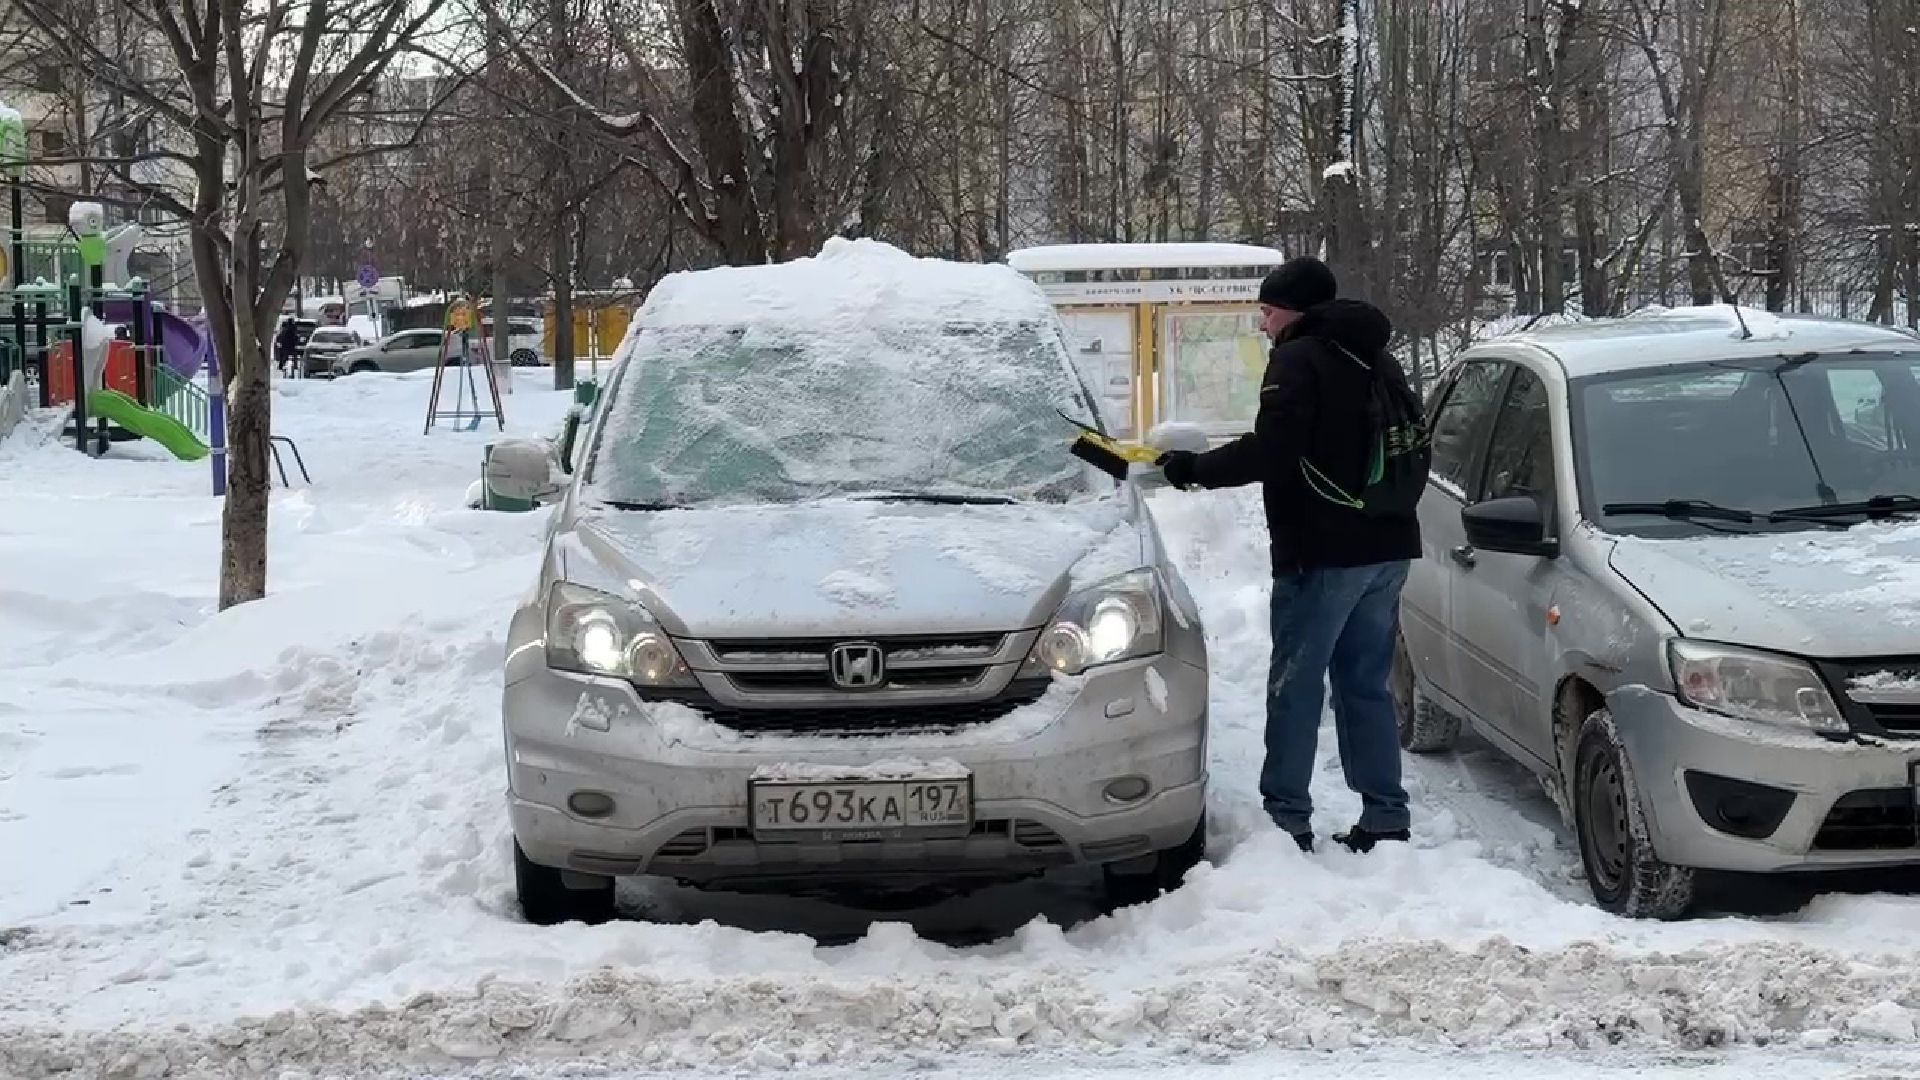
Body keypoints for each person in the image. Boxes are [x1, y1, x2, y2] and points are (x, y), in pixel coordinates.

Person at [1156, 256, 1428, 855]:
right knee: (1365, 685)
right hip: (1386, 548)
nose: (1262, 323)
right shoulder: (1377, 356)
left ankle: (1286, 821)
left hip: (1321, 554)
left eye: (1268, 310)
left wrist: (1194, 469)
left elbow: (1273, 452)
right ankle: (1385, 815)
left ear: (1294, 310)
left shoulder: (1297, 359)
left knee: (1296, 686)